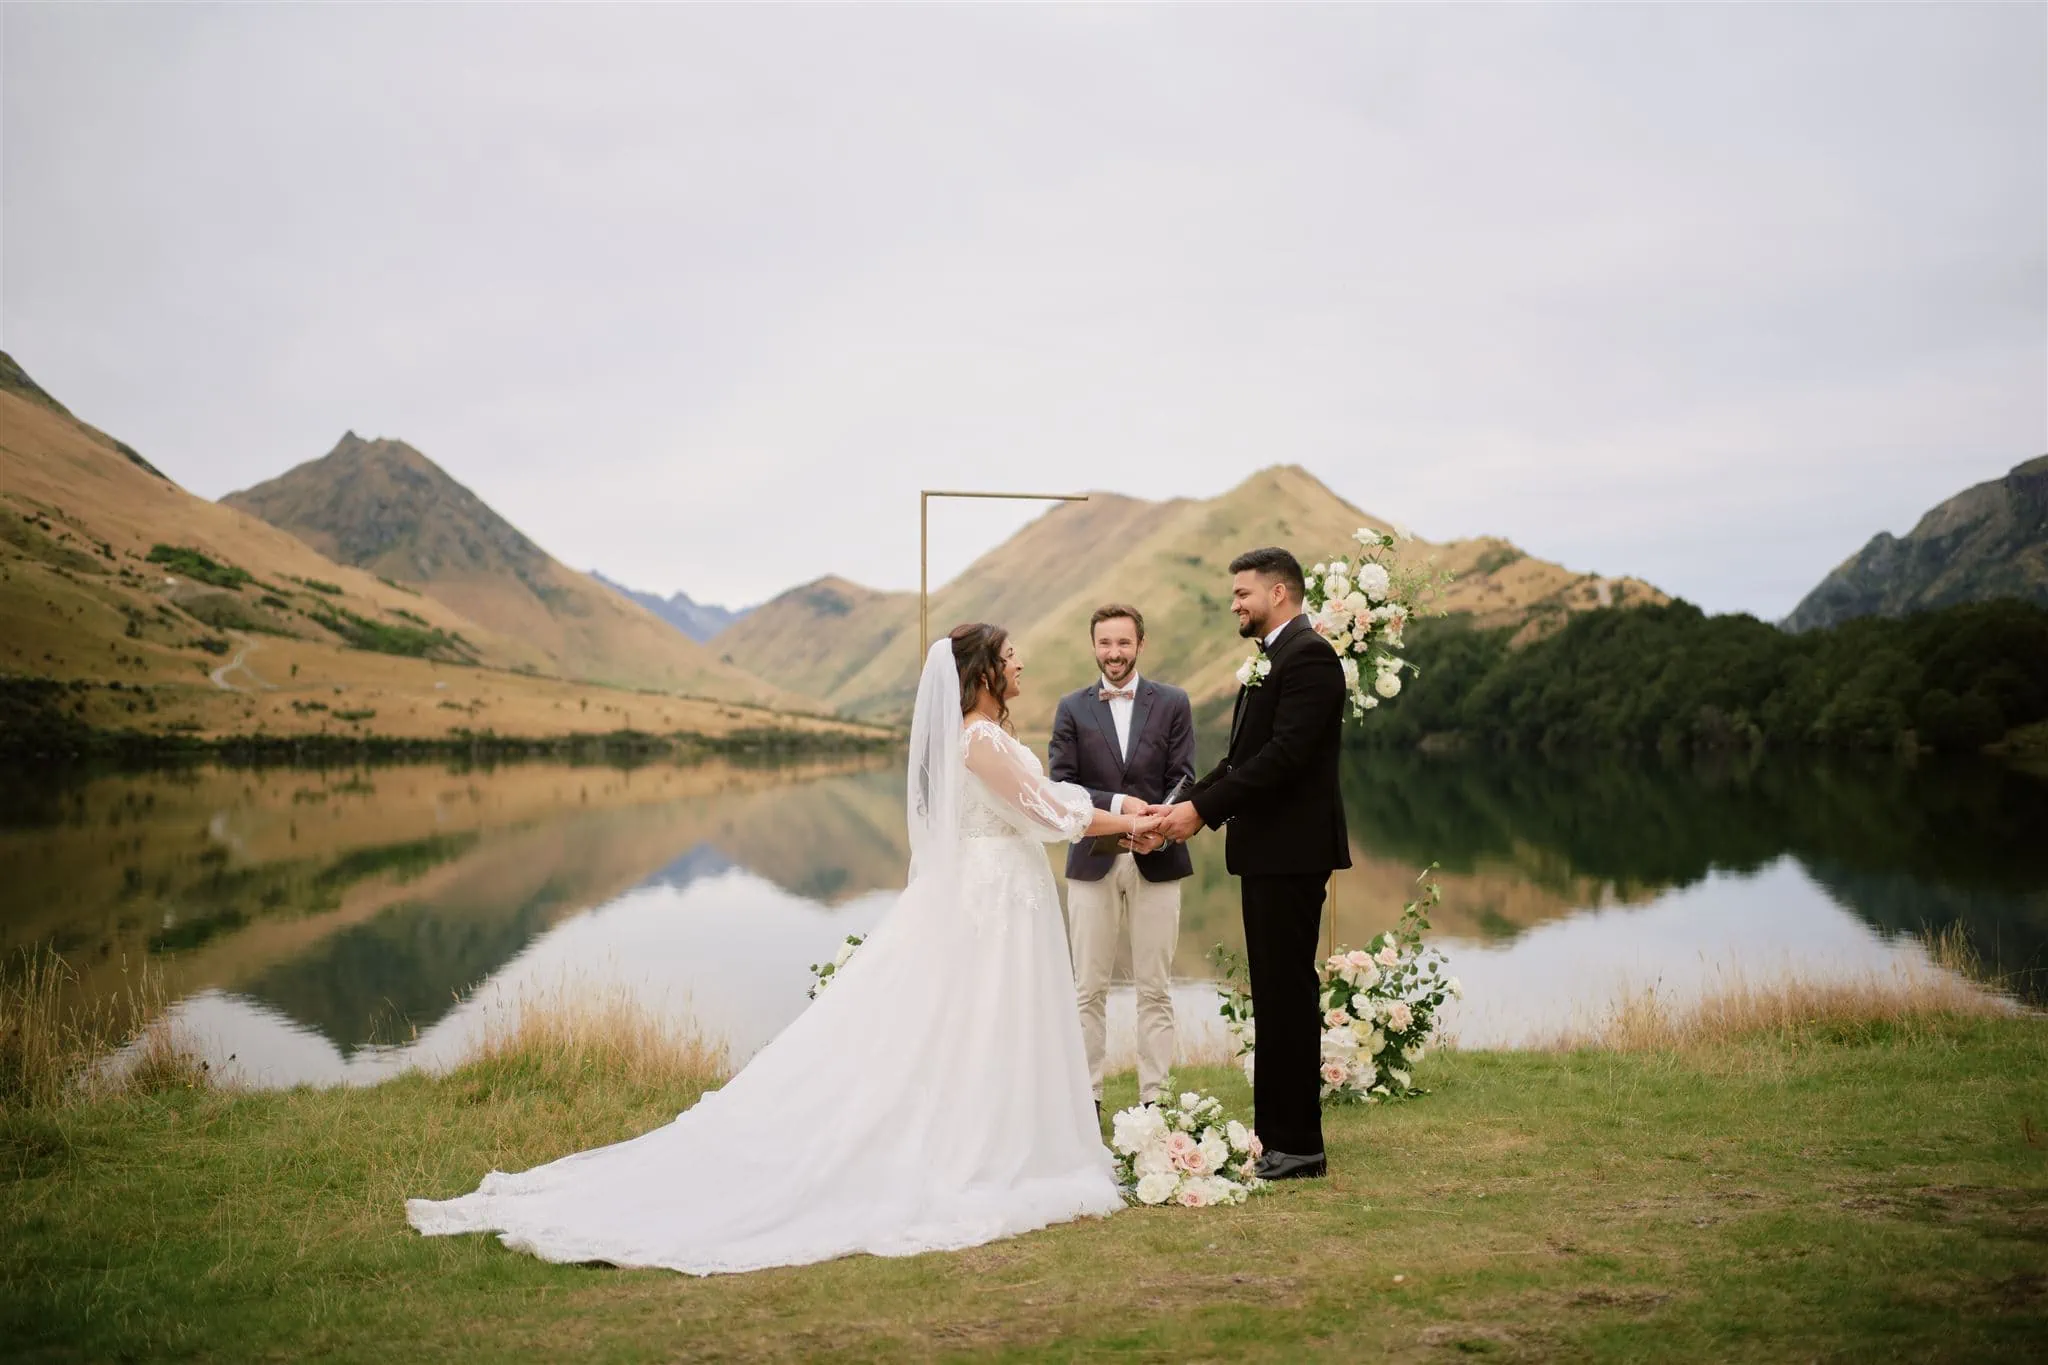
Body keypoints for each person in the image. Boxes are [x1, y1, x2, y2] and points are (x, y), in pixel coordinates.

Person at [406, 624, 1164, 1274]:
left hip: (1004, 893)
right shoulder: (977, 739)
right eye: (1010, 655)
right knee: (973, 1021)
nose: (1021, 662)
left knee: (994, 1025)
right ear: (984, 673)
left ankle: (1009, 1137)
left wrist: (1120, 806)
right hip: (990, 900)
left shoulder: (990, 738)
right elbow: (1046, 813)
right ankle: (974, 1153)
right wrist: (1130, 823)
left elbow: (1054, 801)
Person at [1150, 548, 1350, 1180]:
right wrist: (1180, 808)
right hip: (1267, 852)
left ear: (1279, 592)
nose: (1234, 603)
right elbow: (1241, 759)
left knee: (1287, 994)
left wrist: (1201, 811)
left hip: (1292, 853)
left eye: (1243, 593)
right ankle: (1276, 1140)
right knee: (1273, 993)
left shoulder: (1310, 657)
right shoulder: (1273, 658)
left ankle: (1300, 1146)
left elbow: (1285, 757)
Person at [1048, 603, 1196, 1110]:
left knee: (1155, 988)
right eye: (1105, 643)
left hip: (1160, 857)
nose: (1114, 653)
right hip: (1092, 860)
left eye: (1123, 643)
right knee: (1088, 988)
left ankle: (1156, 1100)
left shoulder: (1173, 702)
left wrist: (1161, 827)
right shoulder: (1071, 707)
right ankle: (1087, 1099)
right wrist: (1120, 805)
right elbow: (1062, 786)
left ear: (1140, 644)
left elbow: (1184, 777)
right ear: (1094, 646)